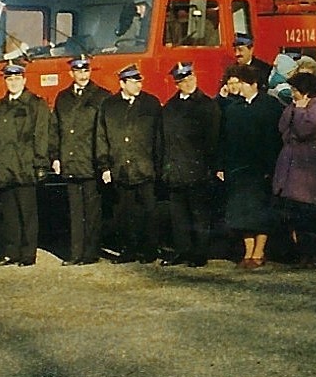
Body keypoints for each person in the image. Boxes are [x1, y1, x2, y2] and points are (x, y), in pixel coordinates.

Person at [0, 62, 54, 267]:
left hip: (25, 165)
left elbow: (41, 135)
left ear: (24, 80)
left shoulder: (35, 104)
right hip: (5, 166)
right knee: (9, 213)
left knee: (27, 212)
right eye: (9, 79)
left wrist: (41, 163)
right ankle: (11, 251)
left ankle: (27, 253)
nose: (13, 82)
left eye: (16, 79)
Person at [217, 64, 283, 269]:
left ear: (253, 84)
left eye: (242, 83)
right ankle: (247, 252)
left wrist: (271, 167)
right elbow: (223, 139)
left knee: (261, 212)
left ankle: (259, 252)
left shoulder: (270, 105)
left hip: (261, 168)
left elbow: (275, 139)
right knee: (241, 213)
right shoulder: (232, 108)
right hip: (238, 168)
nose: (238, 87)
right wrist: (222, 166)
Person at [97, 63, 161, 264]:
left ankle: (149, 250)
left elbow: (159, 137)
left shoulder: (151, 103)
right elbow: (101, 137)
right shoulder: (109, 106)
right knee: (124, 214)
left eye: (139, 81)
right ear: (122, 83)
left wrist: (158, 165)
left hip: (145, 167)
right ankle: (128, 250)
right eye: (134, 82)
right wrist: (105, 166)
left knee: (148, 211)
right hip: (121, 168)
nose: (138, 85)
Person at [158, 61, 219, 268]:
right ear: (177, 83)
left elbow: (213, 139)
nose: (187, 82)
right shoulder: (170, 107)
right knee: (178, 216)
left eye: (189, 78)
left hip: (197, 169)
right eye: (182, 80)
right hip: (175, 169)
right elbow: (163, 139)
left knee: (199, 214)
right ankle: (182, 250)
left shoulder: (207, 106)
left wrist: (210, 166)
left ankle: (199, 253)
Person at [272, 71, 316, 268]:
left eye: (295, 90)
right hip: (293, 166)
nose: (292, 94)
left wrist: (298, 111)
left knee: (309, 216)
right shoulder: (297, 105)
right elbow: (283, 129)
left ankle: (313, 255)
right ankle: (302, 254)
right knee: (296, 215)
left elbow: (305, 130)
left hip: (308, 169)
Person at [51, 57, 108, 266]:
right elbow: (55, 129)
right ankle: (75, 253)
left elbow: (103, 133)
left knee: (92, 210)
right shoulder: (63, 97)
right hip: (71, 160)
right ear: (71, 73)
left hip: (91, 161)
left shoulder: (102, 97)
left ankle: (90, 253)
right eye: (78, 71)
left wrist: (103, 163)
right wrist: (55, 156)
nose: (83, 75)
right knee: (75, 211)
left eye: (86, 71)